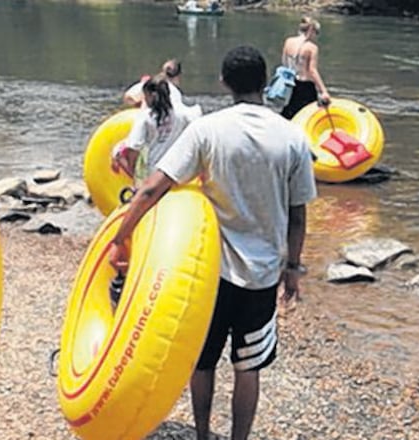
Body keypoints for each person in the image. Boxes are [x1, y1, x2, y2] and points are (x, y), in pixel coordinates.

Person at [108, 46, 316, 440]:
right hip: (263, 273)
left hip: (209, 273)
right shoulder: (293, 137)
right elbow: (298, 214)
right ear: (265, 82)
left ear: (224, 82)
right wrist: (294, 270)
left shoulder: (208, 130)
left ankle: (203, 435)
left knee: (202, 361)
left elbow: (154, 186)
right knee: (248, 365)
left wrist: (122, 236)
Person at [111, 74, 195, 185]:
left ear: (150, 96)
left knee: (118, 152)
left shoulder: (145, 117)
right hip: (177, 170)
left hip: (155, 173)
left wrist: (135, 176)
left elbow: (133, 149)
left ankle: (140, 186)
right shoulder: (183, 115)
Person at [279, 16, 331, 119]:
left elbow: (284, 62)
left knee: (289, 114)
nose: (316, 37)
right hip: (305, 86)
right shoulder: (312, 48)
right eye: (317, 33)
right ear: (312, 31)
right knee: (308, 115)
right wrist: (323, 91)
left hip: (290, 83)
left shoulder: (288, 41)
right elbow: (312, 71)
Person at [123, 59, 199, 117]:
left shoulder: (148, 84)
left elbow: (128, 97)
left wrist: (139, 103)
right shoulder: (175, 93)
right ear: (178, 77)